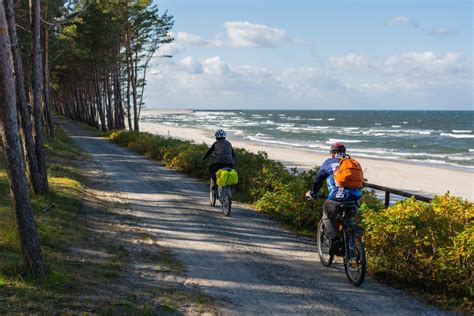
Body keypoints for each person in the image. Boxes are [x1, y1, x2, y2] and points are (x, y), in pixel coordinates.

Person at [306, 143, 362, 255]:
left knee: (327, 215)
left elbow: (319, 180)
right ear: (345, 152)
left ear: (332, 153)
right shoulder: (353, 163)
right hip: (355, 197)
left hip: (337, 197)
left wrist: (312, 193)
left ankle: (335, 240)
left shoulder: (329, 162)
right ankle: (352, 245)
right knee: (349, 220)